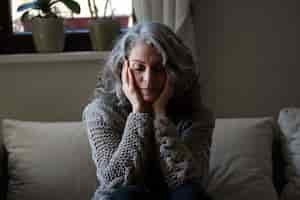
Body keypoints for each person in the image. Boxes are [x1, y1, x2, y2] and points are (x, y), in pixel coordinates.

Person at [82, 22, 214, 200]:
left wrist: (160, 115)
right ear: (123, 68)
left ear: (175, 71)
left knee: (190, 194)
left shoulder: (197, 116)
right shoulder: (100, 112)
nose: (148, 79)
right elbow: (114, 181)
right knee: (125, 195)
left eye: (159, 69)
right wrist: (139, 113)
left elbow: (190, 179)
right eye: (139, 68)